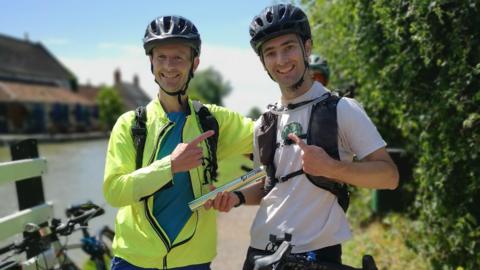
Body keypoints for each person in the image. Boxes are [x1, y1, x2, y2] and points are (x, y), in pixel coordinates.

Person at [228, 4, 399, 269]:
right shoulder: (265, 122)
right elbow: (269, 187)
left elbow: (389, 177)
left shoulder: (342, 109)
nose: (281, 60)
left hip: (315, 256)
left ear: (307, 47)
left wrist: (332, 167)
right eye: (270, 53)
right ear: (263, 63)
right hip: (259, 254)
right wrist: (236, 197)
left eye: (289, 47)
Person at [103, 15, 253, 270]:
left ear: (194, 63)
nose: (169, 66)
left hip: (193, 261)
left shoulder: (213, 120)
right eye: (161, 57)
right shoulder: (131, 125)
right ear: (151, 62)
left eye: (178, 58)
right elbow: (114, 191)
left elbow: (269, 134)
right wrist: (170, 166)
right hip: (133, 260)